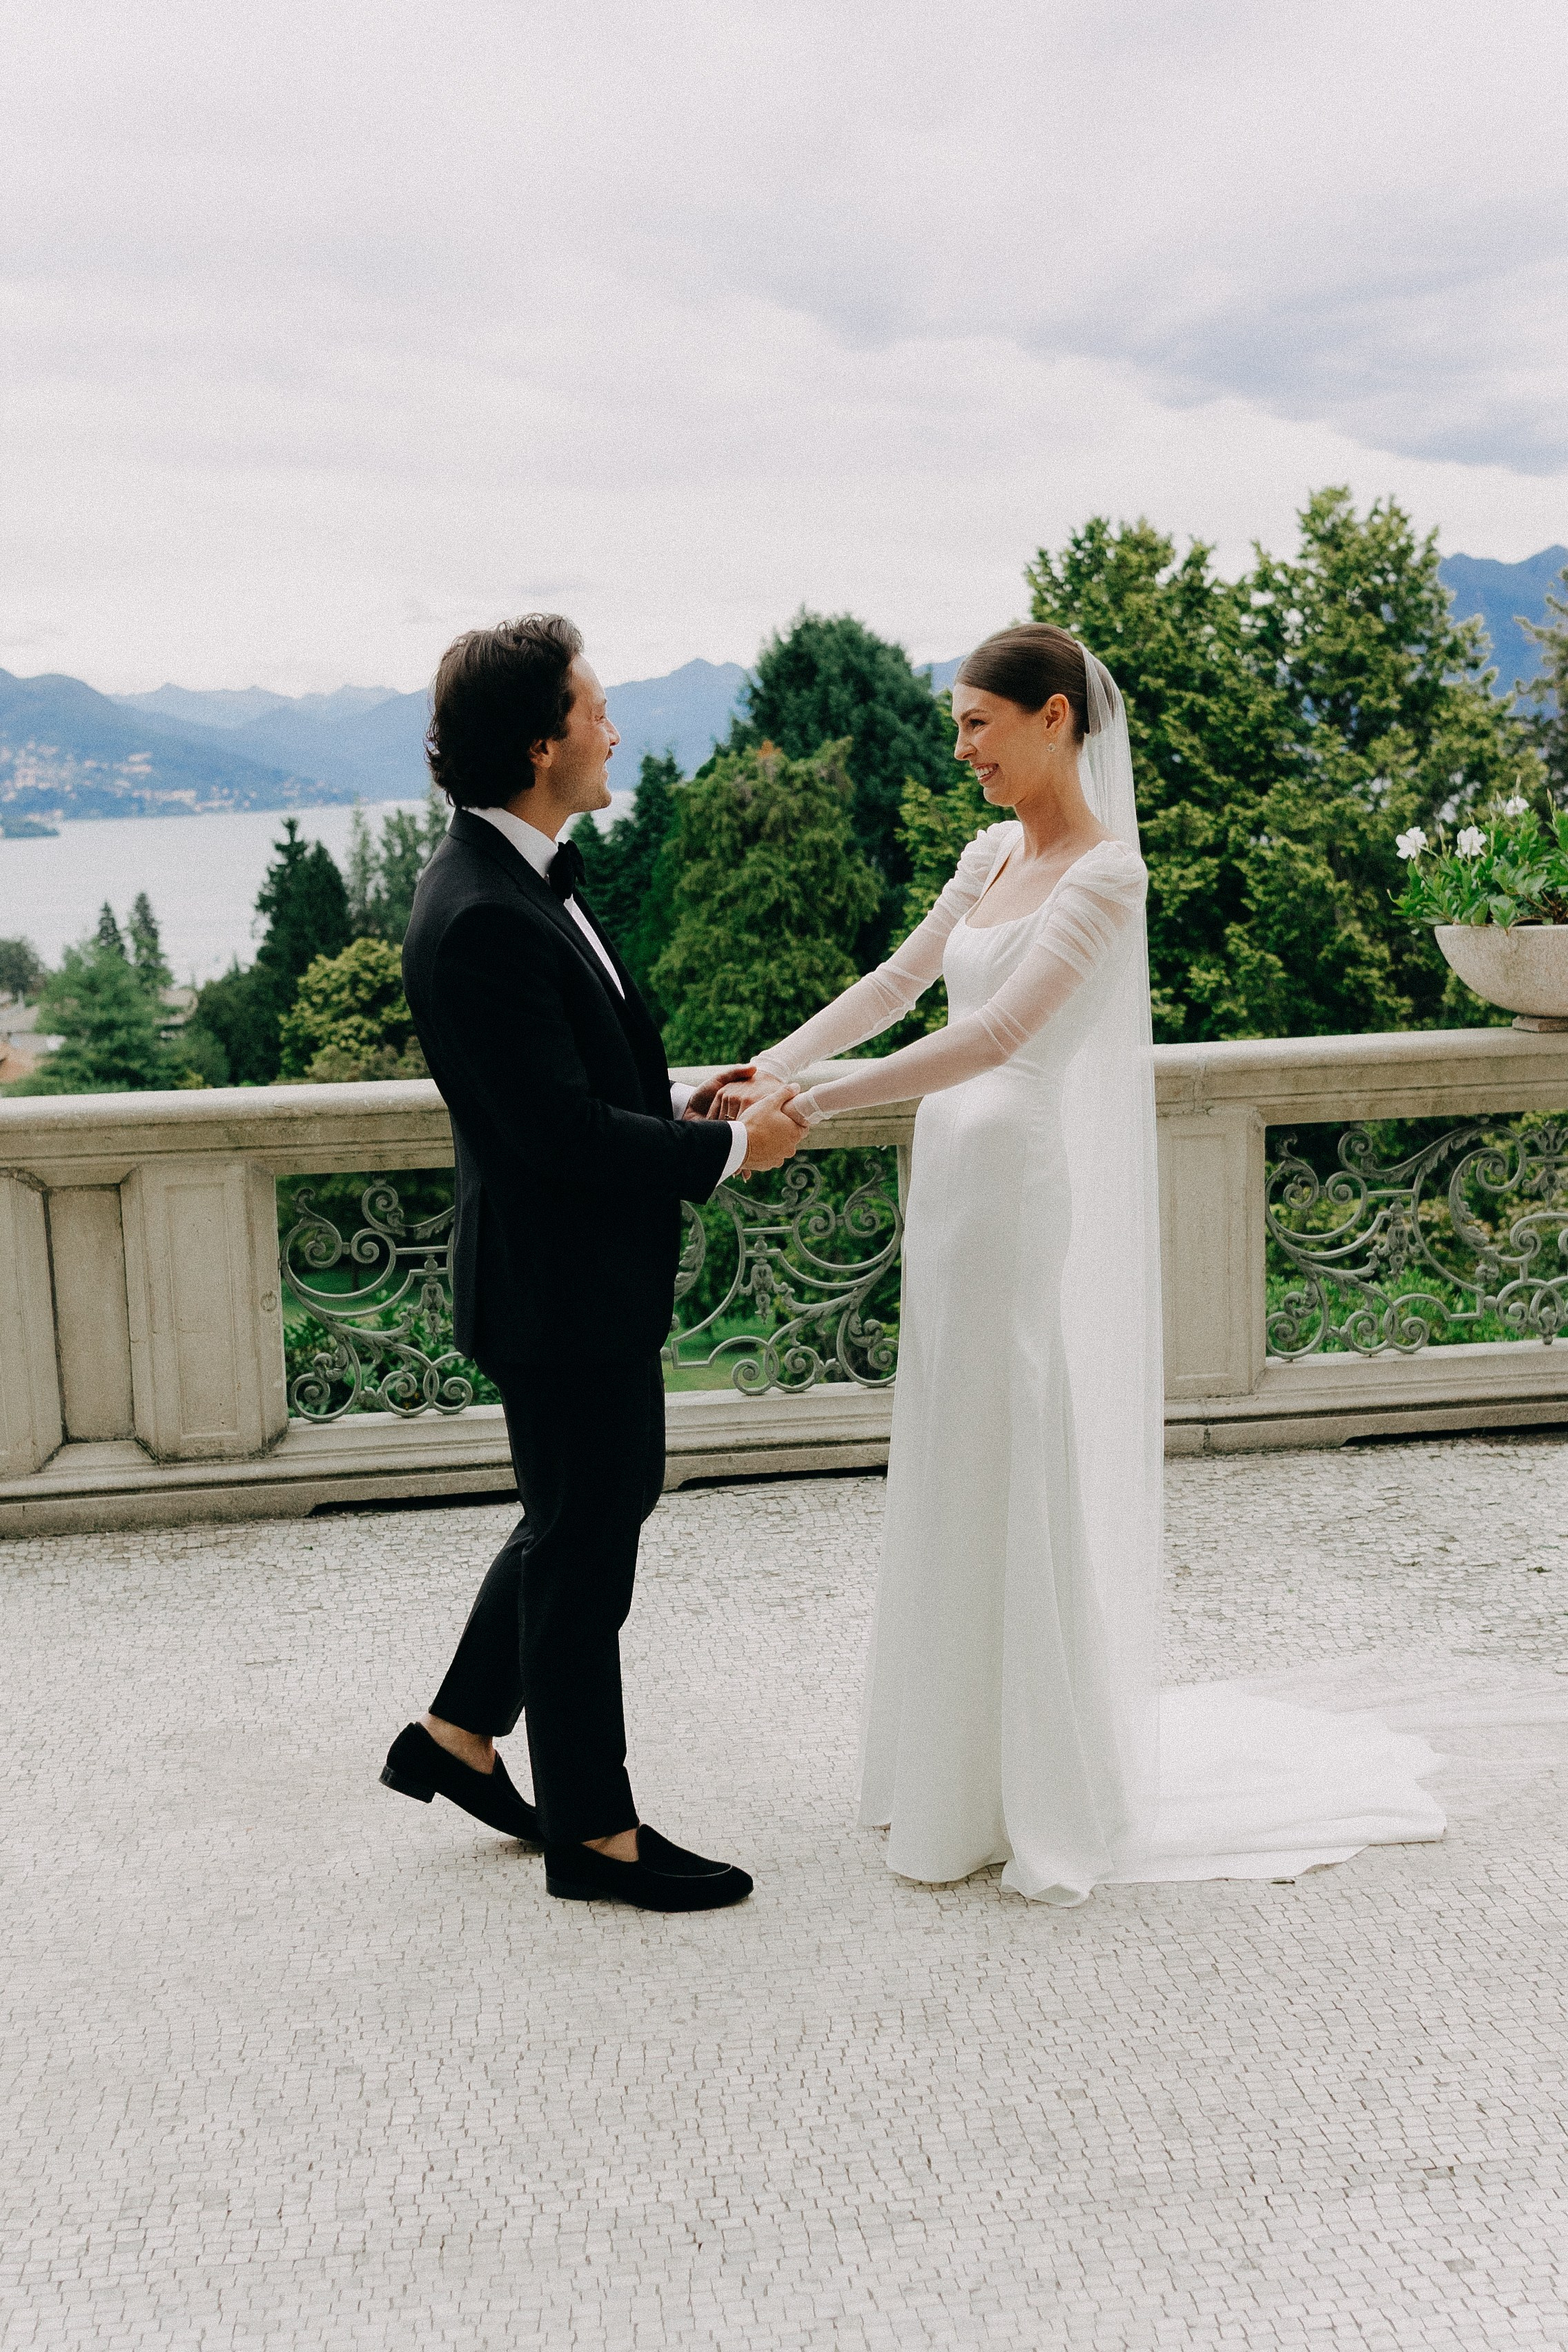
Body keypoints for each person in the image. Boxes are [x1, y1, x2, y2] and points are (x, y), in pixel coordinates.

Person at [719, 624, 1444, 1903]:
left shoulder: (1107, 878)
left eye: (977, 726)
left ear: (1055, 719)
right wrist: (767, 1068)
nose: (962, 753)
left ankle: (1029, 1779)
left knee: (1010, 1437)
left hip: (1014, 1180)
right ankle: (946, 1767)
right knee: (949, 1438)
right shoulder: (990, 854)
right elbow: (902, 982)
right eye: (957, 727)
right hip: (950, 1177)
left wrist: (817, 1107)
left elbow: (999, 1031)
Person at [384, 613, 805, 1912]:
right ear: (540, 742)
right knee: (585, 1554)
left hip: (576, 1281)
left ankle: (456, 1737)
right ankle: (596, 1836)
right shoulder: (481, 918)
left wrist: (678, 1102)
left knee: (584, 1514)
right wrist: (737, 1159)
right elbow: (554, 1139)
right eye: (596, 709)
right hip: (558, 1292)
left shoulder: (522, 877)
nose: (615, 728)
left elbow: (567, 1088)